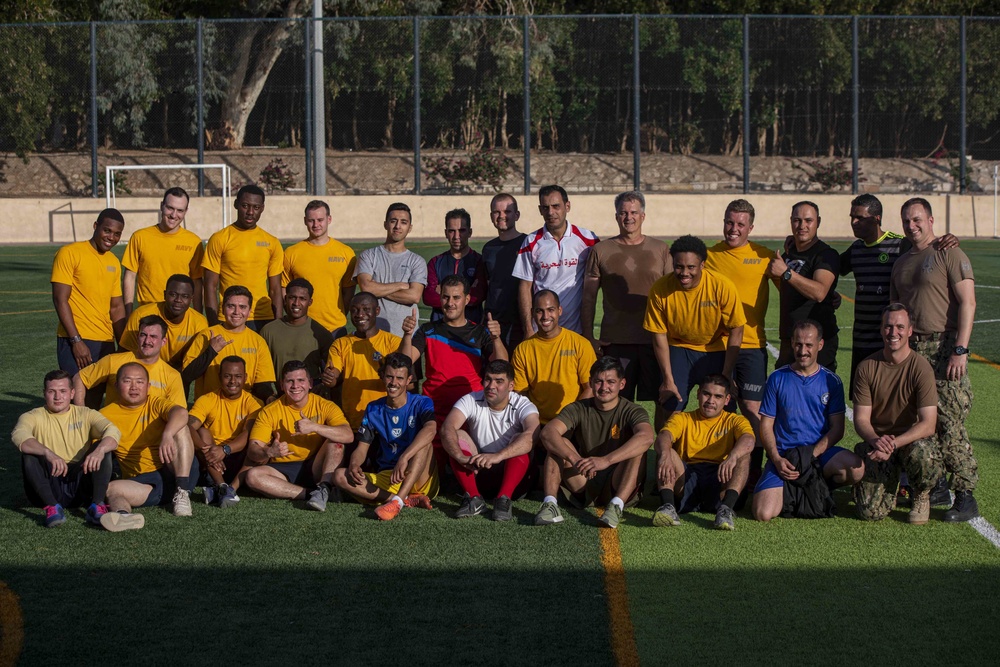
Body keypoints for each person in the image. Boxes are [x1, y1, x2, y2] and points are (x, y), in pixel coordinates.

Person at [890, 197, 979, 522]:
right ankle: (935, 484)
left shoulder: (948, 252)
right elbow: (896, 311)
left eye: (917, 220)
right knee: (920, 422)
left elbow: (967, 302)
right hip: (913, 351)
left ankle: (966, 496)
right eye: (906, 221)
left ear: (930, 220)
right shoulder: (901, 262)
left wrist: (960, 349)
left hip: (943, 347)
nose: (912, 226)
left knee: (950, 424)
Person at [752, 321, 864, 522]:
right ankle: (794, 483)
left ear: (820, 345)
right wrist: (777, 459)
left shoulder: (832, 381)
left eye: (809, 345)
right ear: (792, 343)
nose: (803, 351)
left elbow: (837, 429)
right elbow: (766, 425)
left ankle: (817, 482)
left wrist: (808, 456)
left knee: (856, 468)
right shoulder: (777, 378)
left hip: (817, 455)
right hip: (784, 457)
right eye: (798, 344)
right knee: (763, 513)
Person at [582, 190, 671, 428]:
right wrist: (589, 336)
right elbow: (589, 297)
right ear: (616, 216)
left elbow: (674, 298)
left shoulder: (661, 250)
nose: (628, 217)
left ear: (643, 216)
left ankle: (662, 453)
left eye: (633, 212)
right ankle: (617, 457)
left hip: (655, 341)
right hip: (617, 342)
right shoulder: (601, 250)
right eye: (623, 212)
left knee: (663, 400)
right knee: (615, 403)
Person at [534, 356, 654, 529]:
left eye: (611, 382)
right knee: (557, 444)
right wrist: (575, 459)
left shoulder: (632, 410)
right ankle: (550, 504)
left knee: (638, 449)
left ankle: (616, 506)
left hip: (617, 480)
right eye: (598, 381)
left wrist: (605, 461)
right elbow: (548, 433)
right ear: (590, 382)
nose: (604, 387)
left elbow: (647, 437)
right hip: (584, 477)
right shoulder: (578, 407)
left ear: (622, 384)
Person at [852, 304, 944, 524]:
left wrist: (894, 444)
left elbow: (928, 424)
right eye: (889, 326)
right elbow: (861, 419)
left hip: (910, 442)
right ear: (882, 329)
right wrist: (877, 441)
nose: (894, 333)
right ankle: (890, 488)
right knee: (869, 514)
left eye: (900, 327)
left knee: (924, 453)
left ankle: (921, 494)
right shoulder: (866, 367)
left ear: (910, 330)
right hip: (879, 443)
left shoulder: (921, 367)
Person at [704, 199, 776, 477]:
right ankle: (711, 466)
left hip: (750, 347)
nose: (733, 229)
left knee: (751, 408)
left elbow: (793, 289)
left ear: (751, 228)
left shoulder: (765, 256)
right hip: (714, 347)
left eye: (740, 224)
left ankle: (753, 472)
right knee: (716, 406)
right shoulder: (709, 256)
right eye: (729, 222)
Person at [643, 234, 746, 415]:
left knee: (725, 408)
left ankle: (723, 443)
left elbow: (737, 329)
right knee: (669, 404)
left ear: (702, 265)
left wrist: (727, 373)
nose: (684, 273)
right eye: (679, 267)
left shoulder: (722, 286)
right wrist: (667, 378)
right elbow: (658, 336)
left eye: (691, 267)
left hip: (715, 349)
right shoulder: (660, 289)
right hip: (679, 348)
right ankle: (666, 443)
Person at [333, 353, 438, 521]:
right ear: (382, 376)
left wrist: (404, 458)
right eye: (389, 376)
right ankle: (400, 500)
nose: (393, 383)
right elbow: (362, 448)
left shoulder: (421, 402)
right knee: (339, 475)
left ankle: (397, 502)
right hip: (389, 478)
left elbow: (431, 429)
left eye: (399, 378)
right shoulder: (373, 408)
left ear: (409, 379)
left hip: (419, 476)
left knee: (424, 442)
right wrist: (354, 464)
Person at [12, 370, 121, 529]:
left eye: (63, 391)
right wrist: (48, 453)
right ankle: (52, 507)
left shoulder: (86, 413)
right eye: (52, 392)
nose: (58, 397)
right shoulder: (32, 416)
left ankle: (96, 505)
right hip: (49, 484)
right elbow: (19, 435)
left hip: (80, 481)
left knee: (103, 449)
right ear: (44, 394)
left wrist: (99, 450)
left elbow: (112, 431)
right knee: (29, 454)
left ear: (72, 393)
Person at [401, 275, 506, 433]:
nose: (450, 303)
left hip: (470, 411)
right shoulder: (427, 330)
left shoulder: (479, 332)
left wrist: (496, 339)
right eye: (445, 297)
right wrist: (407, 335)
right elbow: (405, 362)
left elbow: (502, 365)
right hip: (433, 410)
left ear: (467, 299)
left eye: (456, 297)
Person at [243, 361, 353, 511]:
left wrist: (315, 427)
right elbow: (252, 450)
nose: (295, 386)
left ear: (310, 383)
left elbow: (348, 435)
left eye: (301, 380)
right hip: (283, 468)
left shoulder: (325, 405)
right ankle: (311, 494)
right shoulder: (269, 411)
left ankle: (324, 487)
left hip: (316, 465)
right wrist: (268, 451)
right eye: (290, 381)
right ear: (282, 385)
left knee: (337, 441)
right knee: (252, 477)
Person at [440, 360, 540, 521]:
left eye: (499, 381)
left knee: (519, 438)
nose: (491, 386)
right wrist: (460, 457)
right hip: (478, 472)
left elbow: (532, 436)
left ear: (511, 385)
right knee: (456, 434)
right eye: (488, 379)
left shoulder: (522, 404)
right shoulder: (471, 399)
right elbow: (447, 428)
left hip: (514, 480)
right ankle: (474, 499)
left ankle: (503, 499)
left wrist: (498, 456)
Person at [652, 374, 754, 531]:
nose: (711, 401)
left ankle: (726, 509)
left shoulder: (735, 420)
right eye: (707, 394)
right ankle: (668, 507)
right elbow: (664, 436)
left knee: (743, 455)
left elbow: (749, 439)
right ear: (698, 394)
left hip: (720, 478)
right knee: (666, 450)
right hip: (687, 477)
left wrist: (733, 456)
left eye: (718, 396)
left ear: (727, 400)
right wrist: (665, 454)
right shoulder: (683, 418)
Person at [101, 362, 196, 527]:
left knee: (180, 427)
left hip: (176, 472)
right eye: (127, 381)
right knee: (110, 489)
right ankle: (123, 517)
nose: (134, 387)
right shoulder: (105, 415)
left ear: (148, 386)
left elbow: (181, 412)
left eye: (139, 381)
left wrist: (167, 434)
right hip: (142, 484)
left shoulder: (156, 403)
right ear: (116, 386)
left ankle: (182, 494)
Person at [513, 184, 599, 336]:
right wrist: (528, 329)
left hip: (576, 331)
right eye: (545, 208)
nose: (551, 212)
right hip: (542, 331)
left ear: (567, 206)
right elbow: (525, 287)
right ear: (540, 210)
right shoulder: (531, 242)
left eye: (556, 206)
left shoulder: (588, 239)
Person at [51, 208, 126, 376]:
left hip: (106, 341)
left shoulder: (113, 262)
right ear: (95, 226)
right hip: (76, 339)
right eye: (107, 230)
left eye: (117, 234)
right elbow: (60, 299)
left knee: (95, 399)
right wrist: (76, 341)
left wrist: (122, 343)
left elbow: (116, 307)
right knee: (75, 397)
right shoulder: (69, 253)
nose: (111, 238)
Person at [769, 201, 840, 370]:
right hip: (790, 340)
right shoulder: (789, 252)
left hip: (816, 343)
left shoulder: (826, 254)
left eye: (808, 220)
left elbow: (820, 292)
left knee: (814, 393)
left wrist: (787, 272)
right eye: (797, 220)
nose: (802, 226)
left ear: (818, 222)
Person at [187, 355, 264, 508]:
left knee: (258, 443)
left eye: (238, 376)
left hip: (239, 458)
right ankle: (221, 486)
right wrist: (208, 451)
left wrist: (225, 450)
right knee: (202, 433)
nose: (233, 381)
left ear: (245, 377)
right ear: (219, 377)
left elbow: (247, 434)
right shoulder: (207, 399)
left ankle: (230, 489)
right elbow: (188, 426)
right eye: (227, 376)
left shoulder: (254, 403)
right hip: (212, 462)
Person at [202, 184, 283, 329]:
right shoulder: (219, 239)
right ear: (236, 204)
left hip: (262, 317)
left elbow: (275, 289)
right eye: (245, 206)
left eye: (256, 207)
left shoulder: (272, 242)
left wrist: (278, 326)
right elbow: (210, 285)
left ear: (262, 208)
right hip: (229, 316)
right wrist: (213, 324)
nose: (250, 212)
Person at [512, 290, 596, 426]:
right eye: (540, 311)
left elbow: (590, 388)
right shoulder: (523, 350)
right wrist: (532, 420)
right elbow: (521, 393)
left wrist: (570, 419)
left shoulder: (580, 344)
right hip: (537, 423)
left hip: (573, 420)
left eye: (551, 310)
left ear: (559, 310)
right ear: (532, 313)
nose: (545, 316)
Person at [321, 292, 402, 430]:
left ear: (377, 311)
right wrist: (330, 378)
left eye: (366, 309)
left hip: (386, 419)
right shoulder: (341, 344)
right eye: (354, 310)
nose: (359, 314)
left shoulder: (393, 343)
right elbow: (334, 376)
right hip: (353, 421)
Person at [182, 285, 276, 401]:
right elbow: (187, 375)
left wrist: (269, 398)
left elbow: (262, 383)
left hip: (244, 409)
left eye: (242, 307)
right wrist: (211, 351)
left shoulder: (258, 341)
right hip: (209, 407)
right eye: (231, 306)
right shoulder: (207, 335)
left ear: (249, 311)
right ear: (222, 308)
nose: (237, 312)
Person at [121, 187, 204, 315]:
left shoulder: (194, 242)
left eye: (180, 210)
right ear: (162, 206)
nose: (173, 215)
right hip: (148, 314)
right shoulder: (140, 237)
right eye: (170, 208)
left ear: (186, 211)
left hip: (180, 316)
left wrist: (198, 315)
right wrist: (128, 313)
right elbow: (130, 277)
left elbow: (197, 282)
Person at [74, 315, 186, 409]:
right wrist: (81, 413)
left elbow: (179, 412)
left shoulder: (172, 376)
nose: (147, 341)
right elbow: (79, 378)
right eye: (143, 335)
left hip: (150, 433)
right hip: (113, 431)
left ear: (163, 341)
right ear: (137, 337)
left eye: (153, 336)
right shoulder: (113, 361)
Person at [281, 200, 357, 336]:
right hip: (302, 327)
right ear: (305, 221)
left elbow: (349, 292)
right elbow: (283, 289)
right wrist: (295, 316)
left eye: (320, 220)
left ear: (329, 219)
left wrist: (337, 315)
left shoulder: (346, 253)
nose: (316, 225)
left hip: (335, 328)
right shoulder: (291, 253)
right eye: (311, 220)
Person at [354, 202, 427, 337]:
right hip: (373, 336)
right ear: (385, 224)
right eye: (393, 221)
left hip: (406, 336)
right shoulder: (368, 256)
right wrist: (400, 285)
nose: (398, 226)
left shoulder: (417, 261)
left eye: (403, 222)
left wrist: (377, 289)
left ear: (409, 227)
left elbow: (414, 296)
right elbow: (366, 288)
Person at [119, 274, 209, 368]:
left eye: (185, 296)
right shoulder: (141, 315)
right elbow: (123, 354)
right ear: (165, 295)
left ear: (191, 299)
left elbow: (195, 366)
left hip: (179, 375)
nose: (178, 300)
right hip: (142, 369)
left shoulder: (200, 323)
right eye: (173, 294)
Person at [260, 278, 334, 389]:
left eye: (302, 299)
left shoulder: (321, 334)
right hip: (278, 397)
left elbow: (332, 372)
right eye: (292, 298)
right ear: (285, 299)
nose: (296, 303)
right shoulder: (268, 331)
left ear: (310, 302)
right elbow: (260, 369)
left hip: (309, 397)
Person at [423, 208, 487, 323]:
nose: (457, 236)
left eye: (462, 230)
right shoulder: (435, 262)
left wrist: (443, 294)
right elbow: (428, 297)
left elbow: (478, 296)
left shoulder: (479, 262)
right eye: (452, 231)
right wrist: (465, 294)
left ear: (470, 232)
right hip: (440, 330)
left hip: (471, 329)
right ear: (446, 233)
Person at [482, 193, 528, 350]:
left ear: (517, 215)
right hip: (494, 323)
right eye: (497, 212)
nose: (501, 216)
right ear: (491, 216)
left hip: (521, 324)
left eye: (507, 211)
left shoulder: (528, 243)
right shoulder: (488, 248)